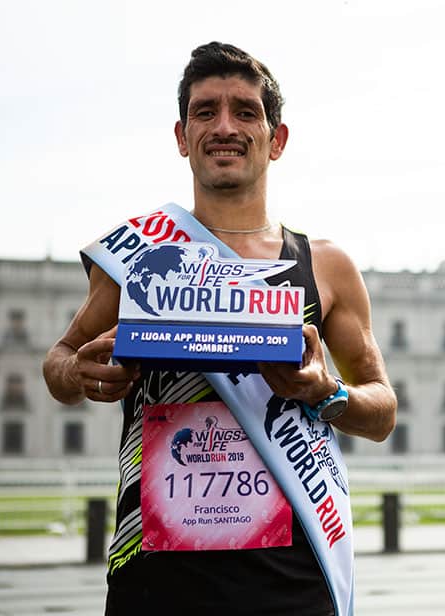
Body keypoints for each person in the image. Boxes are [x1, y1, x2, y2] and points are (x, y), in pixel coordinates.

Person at [43, 42, 396, 616]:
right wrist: (78, 372)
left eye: (245, 111)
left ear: (277, 139)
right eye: (205, 111)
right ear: (182, 137)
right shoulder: (138, 252)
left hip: (292, 579)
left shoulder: (325, 265)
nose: (224, 126)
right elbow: (58, 362)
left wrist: (323, 391)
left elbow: (382, 411)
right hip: (155, 575)